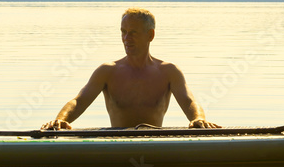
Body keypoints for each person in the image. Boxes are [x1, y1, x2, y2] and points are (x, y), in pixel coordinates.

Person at [41, 8, 220, 130]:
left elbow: (189, 101)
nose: (126, 38)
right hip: (117, 144)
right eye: (123, 32)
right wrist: (61, 120)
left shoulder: (169, 72)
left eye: (133, 32)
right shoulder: (107, 71)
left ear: (150, 35)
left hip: (154, 145)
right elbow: (78, 101)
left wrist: (198, 119)